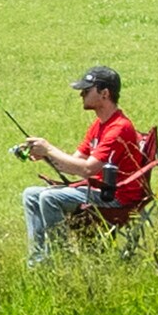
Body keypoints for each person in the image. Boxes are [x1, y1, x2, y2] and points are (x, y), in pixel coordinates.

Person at [19, 65, 147, 263]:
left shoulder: (119, 128)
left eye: (87, 90)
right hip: (97, 189)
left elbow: (87, 169)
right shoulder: (99, 124)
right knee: (31, 194)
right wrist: (44, 154)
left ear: (104, 93)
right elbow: (76, 161)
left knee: (49, 198)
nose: (81, 95)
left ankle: (61, 260)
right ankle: (38, 260)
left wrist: (49, 148)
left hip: (115, 196)